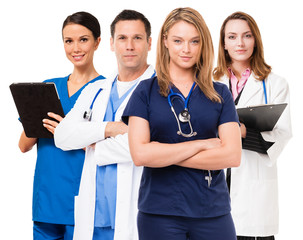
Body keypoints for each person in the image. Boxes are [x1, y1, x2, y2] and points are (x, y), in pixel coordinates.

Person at [122, 7, 241, 240]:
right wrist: (202, 144)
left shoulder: (220, 94)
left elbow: (232, 156)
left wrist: (163, 155)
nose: (186, 49)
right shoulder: (145, 92)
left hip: (213, 212)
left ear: (203, 44)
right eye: (178, 41)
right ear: (165, 41)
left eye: (194, 41)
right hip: (159, 213)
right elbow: (140, 155)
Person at [54, 9, 154, 240]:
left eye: (137, 38)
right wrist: (109, 128)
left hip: (136, 210)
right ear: (111, 43)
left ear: (149, 43)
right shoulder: (95, 89)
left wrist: (93, 145)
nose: (129, 46)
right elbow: (63, 136)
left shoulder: (162, 90)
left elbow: (152, 145)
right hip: (94, 214)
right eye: (122, 38)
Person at [18, 11, 104, 240]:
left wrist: (69, 132)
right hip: (46, 202)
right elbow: (23, 145)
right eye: (69, 41)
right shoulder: (48, 87)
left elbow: (113, 148)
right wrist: (32, 114)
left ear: (97, 41)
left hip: (83, 202)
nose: (76, 48)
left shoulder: (105, 90)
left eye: (83, 39)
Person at [213, 11, 292, 240]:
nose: (240, 43)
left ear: (255, 40)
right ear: (223, 43)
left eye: (247, 36)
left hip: (253, 201)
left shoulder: (275, 84)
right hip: (213, 193)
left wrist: (245, 133)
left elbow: (282, 136)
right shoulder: (209, 82)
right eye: (232, 36)